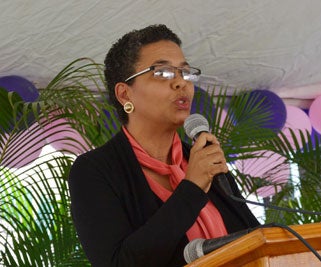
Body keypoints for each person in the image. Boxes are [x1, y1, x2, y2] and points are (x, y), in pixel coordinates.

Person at [68, 24, 260, 267]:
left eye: (185, 72)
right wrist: (191, 188)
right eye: (163, 73)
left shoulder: (201, 159)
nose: (181, 83)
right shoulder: (95, 170)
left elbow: (256, 237)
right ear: (125, 94)